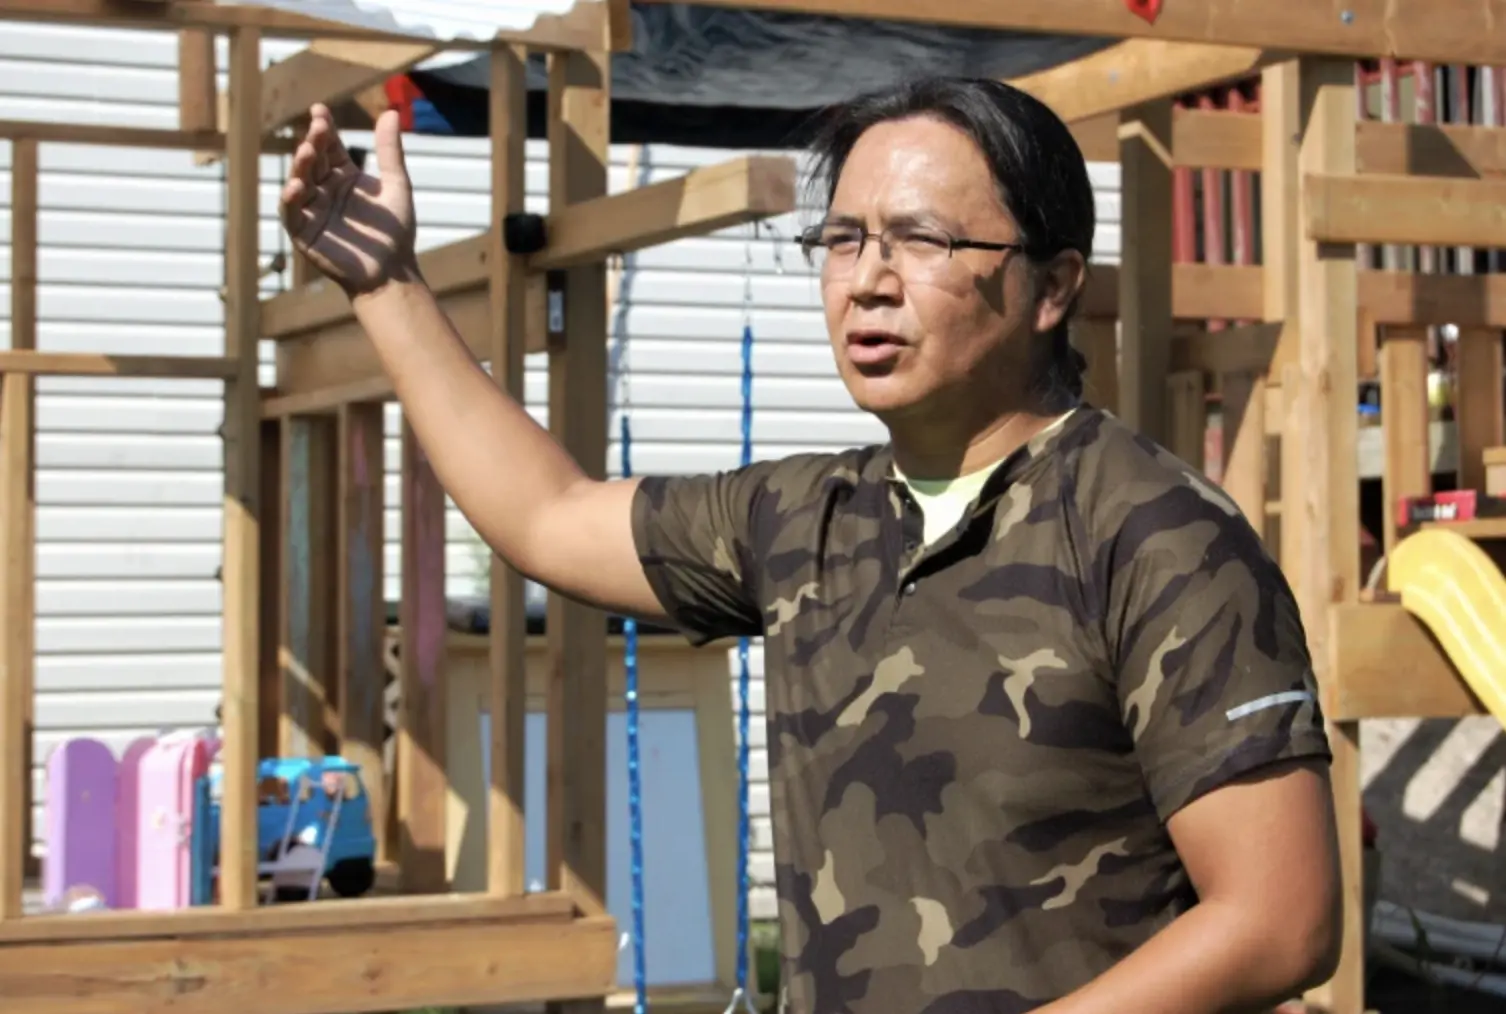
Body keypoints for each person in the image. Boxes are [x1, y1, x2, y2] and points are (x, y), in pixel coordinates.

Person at [280, 76, 1341, 1014]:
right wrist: (384, 285)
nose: (867, 281)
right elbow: (547, 517)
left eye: (922, 240)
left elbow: (1279, 921)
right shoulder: (804, 519)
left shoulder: (1154, 532)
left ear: (1052, 286)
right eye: (842, 240)